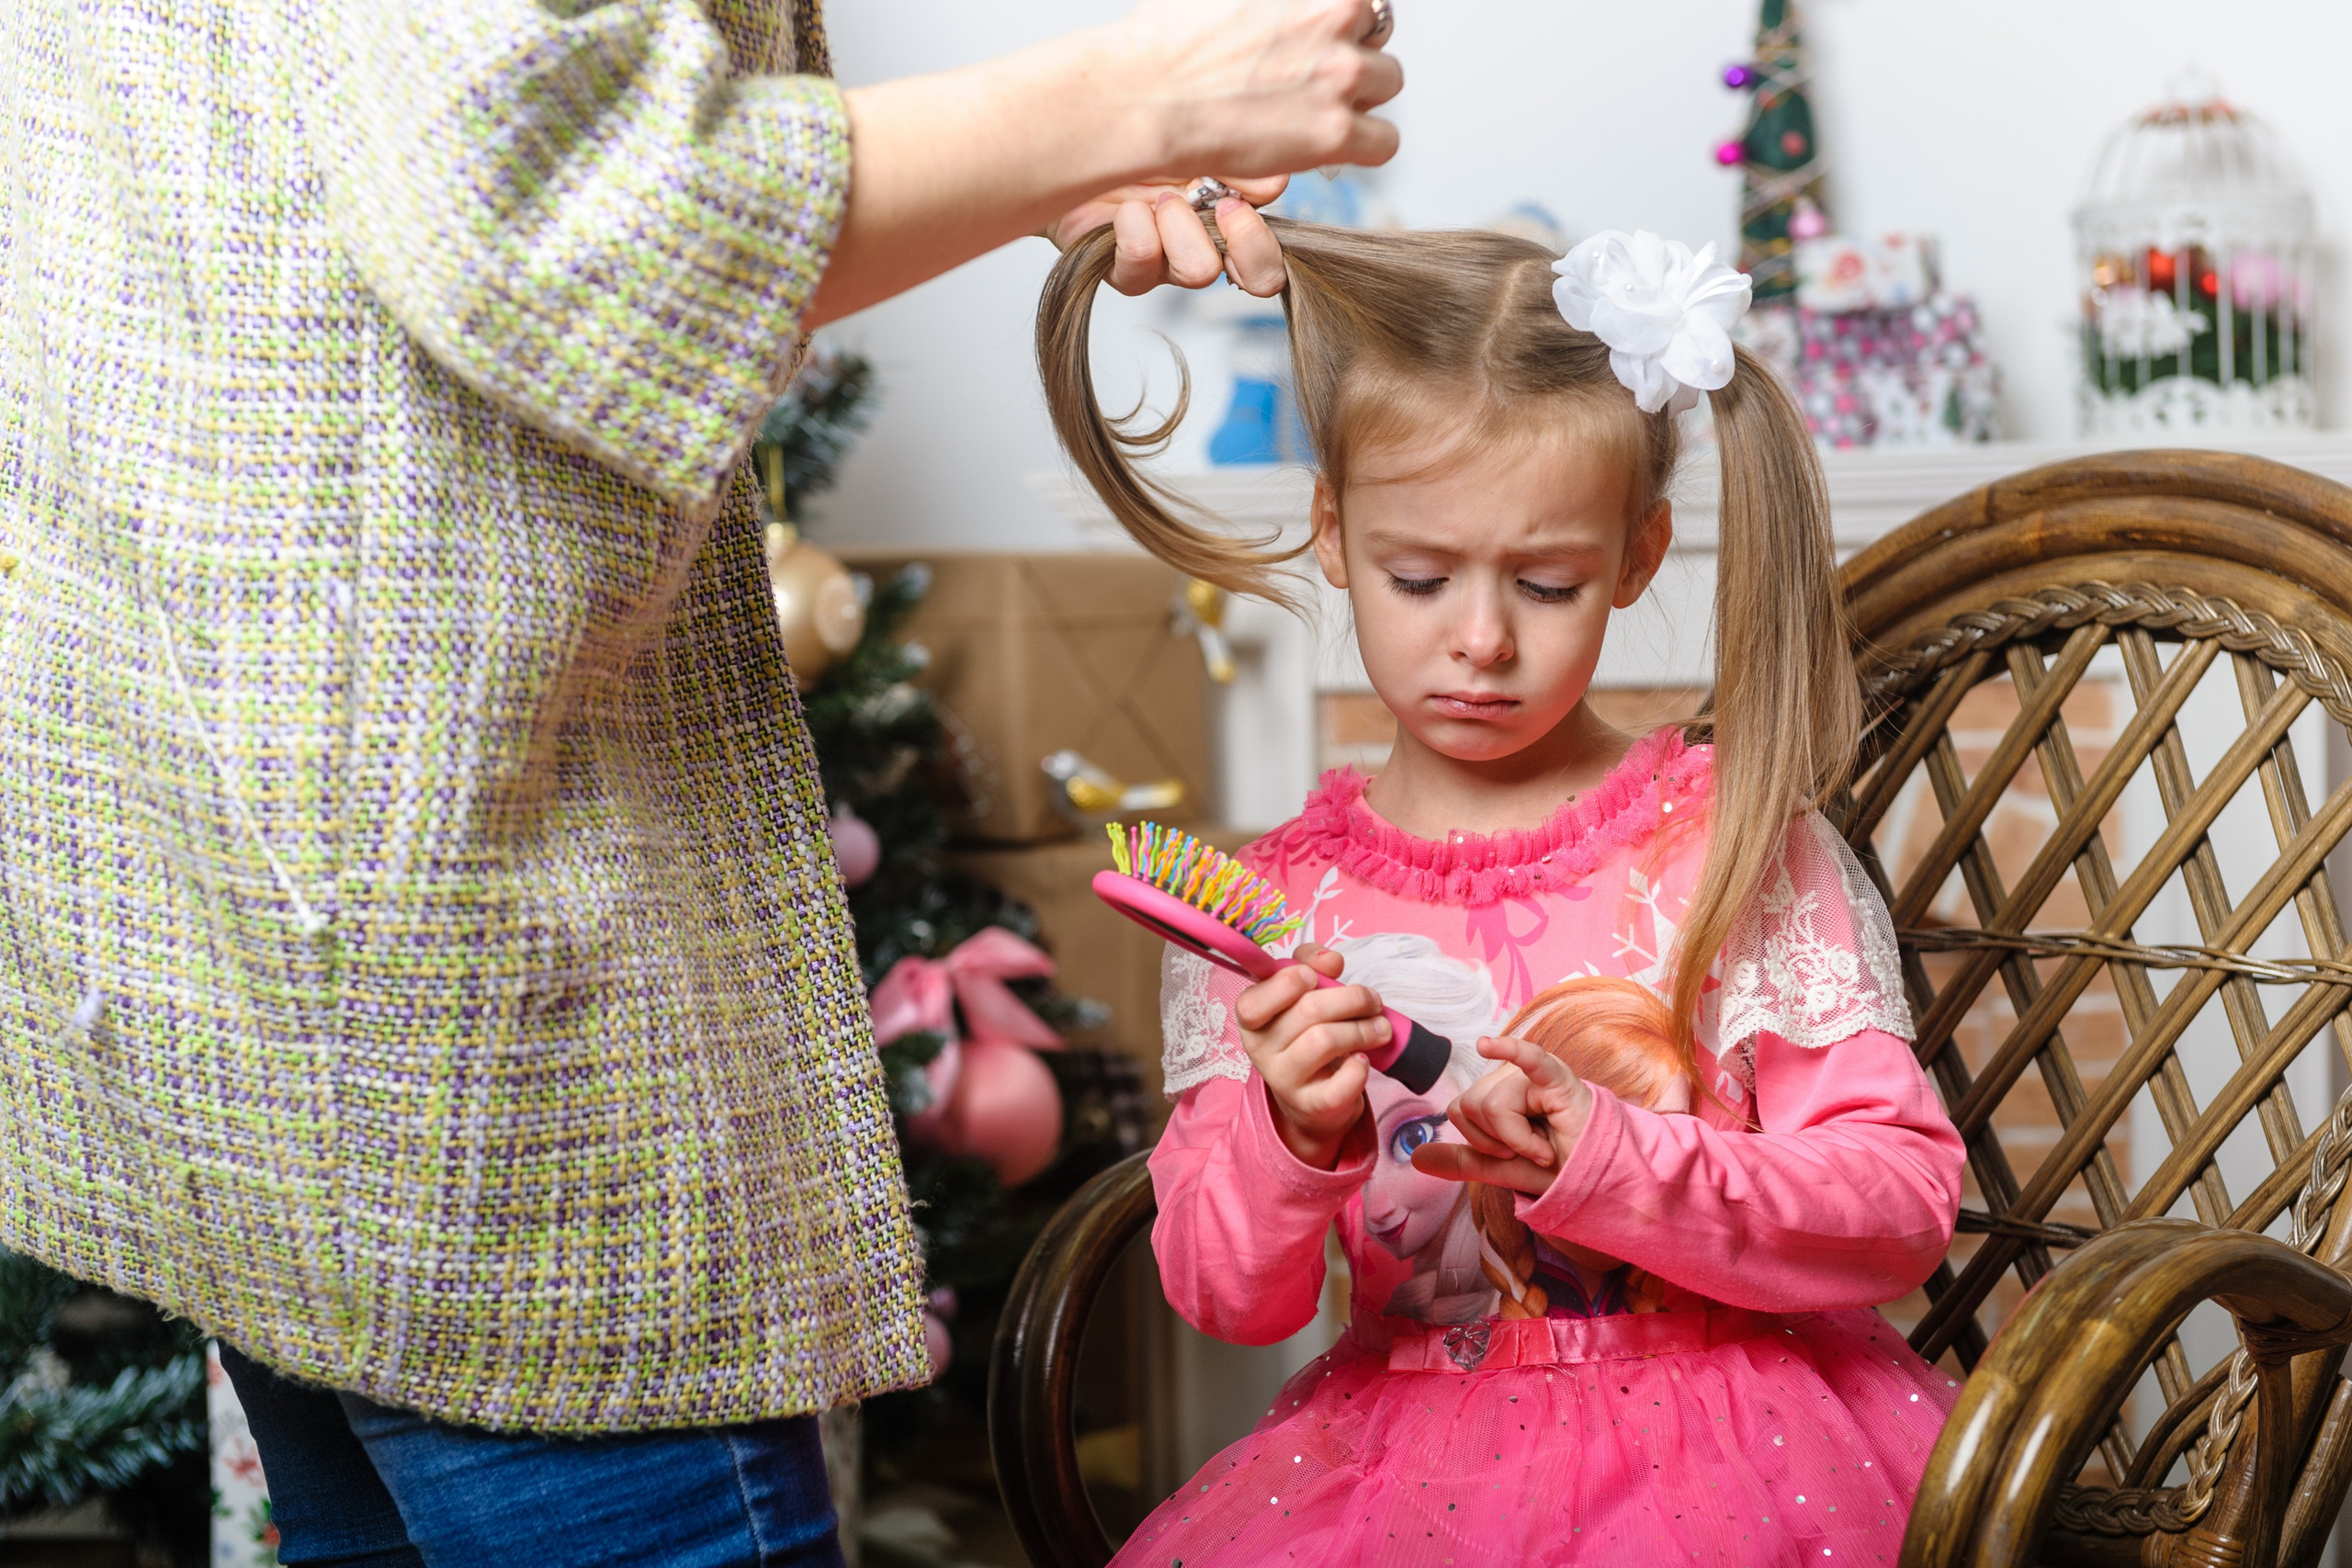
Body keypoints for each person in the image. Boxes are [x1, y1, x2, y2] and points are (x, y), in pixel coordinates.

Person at [0, 2, 1400, 1563]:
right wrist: (1115, 99)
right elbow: (563, 214)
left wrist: (1014, 172)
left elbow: (424, 202)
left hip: (256, 897)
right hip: (460, 970)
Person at [1039, 221, 1969, 1564]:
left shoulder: (1730, 841)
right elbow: (1228, 1298)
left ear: (1639, 559)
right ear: (1333, 535)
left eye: (1547, 584)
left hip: (1745, 1456)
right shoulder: (1273, 908)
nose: (1480, 640)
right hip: (1395, 1471)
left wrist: (1613, 1159)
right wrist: (1292, 1139)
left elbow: (1897, 1210)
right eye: (1420, 577)